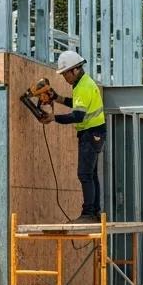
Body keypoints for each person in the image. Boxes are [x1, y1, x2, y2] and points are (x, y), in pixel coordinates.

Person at [37, 50, 105, 223]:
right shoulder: (83, 83)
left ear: (75, 69)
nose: (64, 78)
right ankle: (95, 212)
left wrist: (53, 118)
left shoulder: (83, 87)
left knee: (84, 174)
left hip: (90, 133)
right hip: (95, 133)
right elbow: (76, 104)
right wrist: (57, 98)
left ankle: (88, 214)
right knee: (91, 174)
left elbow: (78, 116)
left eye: (65, 74)